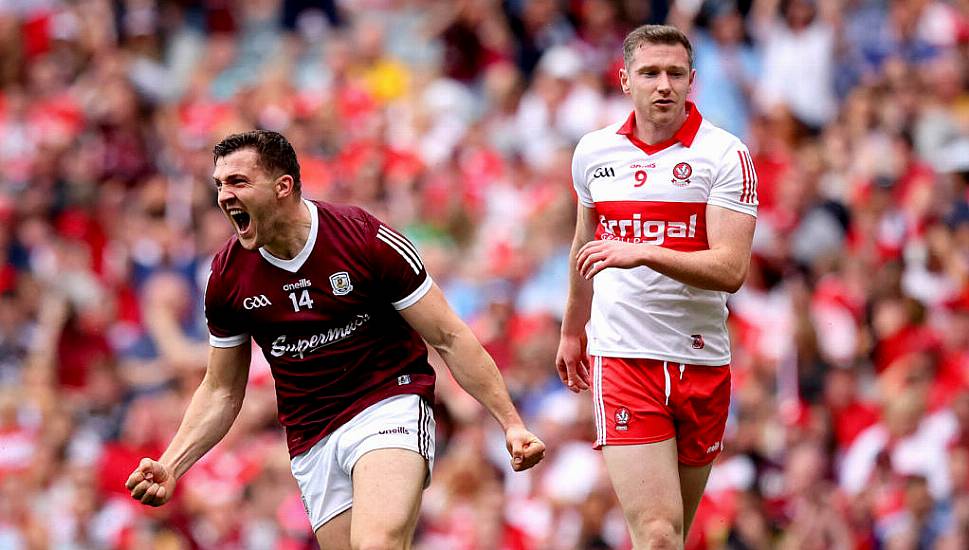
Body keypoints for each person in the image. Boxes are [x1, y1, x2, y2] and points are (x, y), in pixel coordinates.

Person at [124, 130, 546, 549]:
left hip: (387, 403)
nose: (224, 195)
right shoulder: (227, 277)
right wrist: (171, 464)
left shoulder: (363, 238)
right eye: (219, 184)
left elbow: (450, 336)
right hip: (313, 435)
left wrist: (511, 423)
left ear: (282, 187)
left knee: (376, 544)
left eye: (238, 181)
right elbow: (220, 391)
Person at [555, 25, 758, 548]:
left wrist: (644, 251)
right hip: (624, 359)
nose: (663, 84)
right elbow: (584, 248)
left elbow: (731, 270)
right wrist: (572, 331)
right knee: (659, 533)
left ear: (693, 81)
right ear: (625, 80)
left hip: (702, 362)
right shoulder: (594, 153)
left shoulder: (725, 155)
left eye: (674, 73)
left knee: (674, 535)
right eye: (649, 73)